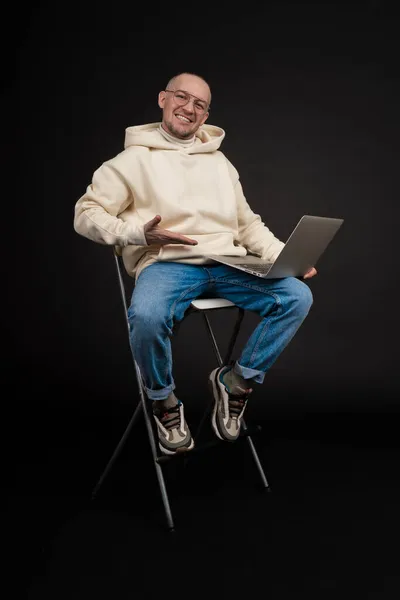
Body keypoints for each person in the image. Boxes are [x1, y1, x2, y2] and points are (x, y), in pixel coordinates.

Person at [74, 72, 317, 456]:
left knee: (296, 296)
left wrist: (282, 257)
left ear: (205, 116)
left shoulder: (219, 162)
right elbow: (86, 213)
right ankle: (163, 401)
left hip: (226, 263)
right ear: (163, 99)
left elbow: (247, 224)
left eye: (199, 104)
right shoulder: (130, 161)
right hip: (168, 264)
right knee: (148, 315)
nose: (189, 108)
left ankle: (235, 382)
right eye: (182, 98)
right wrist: (139, 234)